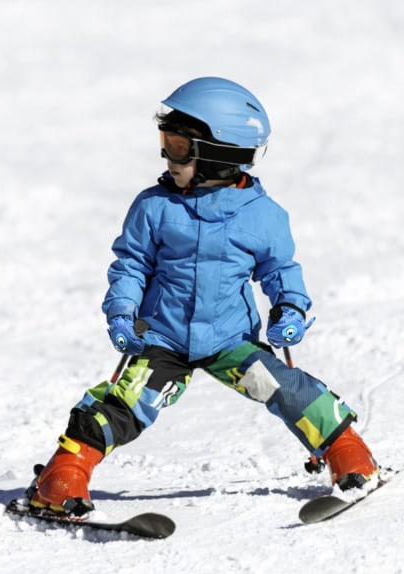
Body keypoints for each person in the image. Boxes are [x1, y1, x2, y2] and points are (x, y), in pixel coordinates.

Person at [22, 76, 380, 517]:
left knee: (287, 389)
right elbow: (131, 265)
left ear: (218, 155)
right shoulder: (154, 206)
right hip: (162, 338)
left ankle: (349, 454)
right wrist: (121, 311)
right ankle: (62, 476)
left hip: (230, 341)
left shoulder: (262, 216)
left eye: (176, 146)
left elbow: (280, 270)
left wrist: (290, 306)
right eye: (165, 141)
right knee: (124, 403)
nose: (165, 155)